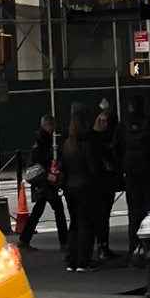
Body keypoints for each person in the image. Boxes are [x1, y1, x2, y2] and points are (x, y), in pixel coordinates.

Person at [117, 92, 150, 260]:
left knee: (134, 212)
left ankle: (134, 249)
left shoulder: (122, 126)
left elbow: (116, 150)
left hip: (131, 173)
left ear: (129, 106)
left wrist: (123, 168)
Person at [59, 104, 101, 272]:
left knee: (75, 223)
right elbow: (94, 169)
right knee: (86, 224)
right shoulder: (87, 143)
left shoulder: (67, 144)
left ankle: (73, 261)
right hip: (86, 187)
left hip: (70, 188)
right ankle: (84, 260)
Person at [18, 113, 68, 251]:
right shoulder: (43, 140)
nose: (53, 127)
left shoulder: (41, 139)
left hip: (42, 181)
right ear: (45, 125)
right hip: (45, 181)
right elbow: (41, 158)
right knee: (57, 210)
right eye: (51, 124)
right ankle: (64, 241)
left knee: (39, 211)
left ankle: (24, 239)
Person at [92, 100, 122, 260]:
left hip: (103, 179)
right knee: (102, 215)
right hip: (103, 179)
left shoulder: (97, 137)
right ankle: (102, 245)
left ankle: (102, 245)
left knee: (103, 214)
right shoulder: (104, 138)